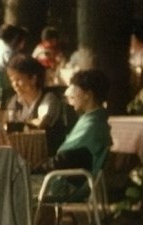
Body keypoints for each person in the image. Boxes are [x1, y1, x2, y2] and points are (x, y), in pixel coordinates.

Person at [33, 69, 112, 200]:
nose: (69, 94)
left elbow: (64, 159)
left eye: (74, 89)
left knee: (15, 185)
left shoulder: (91, 125)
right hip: (73, 180)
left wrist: (32, 169)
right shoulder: (95, 120)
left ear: (87, 94)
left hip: (67, 186)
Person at [5, 54, 68, 156]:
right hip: (22, 154)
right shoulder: (15, 101)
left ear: (33, 79)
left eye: (18, 80)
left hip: (48, 156)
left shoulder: (49, 99)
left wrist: (19, 125)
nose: (14, 84)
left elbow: (41, 123)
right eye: (12, 80)